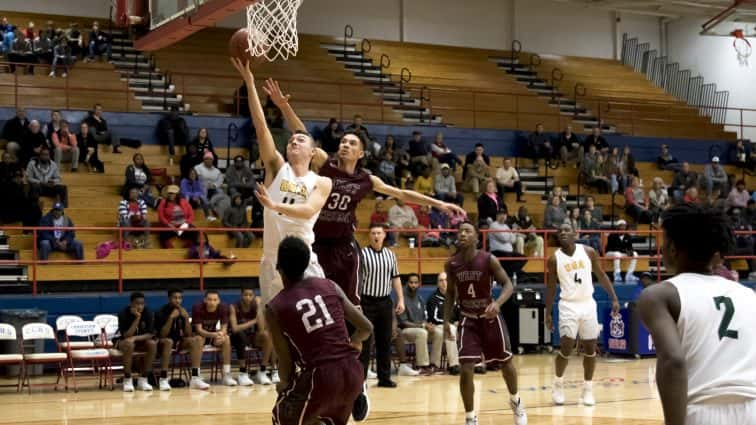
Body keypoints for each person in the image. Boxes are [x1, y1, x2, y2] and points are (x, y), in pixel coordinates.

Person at [638, 204, 756, 425]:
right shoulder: (748, 294)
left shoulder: (659, 295)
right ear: (717, 254)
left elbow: (673, 360)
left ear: (672, 248)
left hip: (703, 409)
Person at [265, 236, 373, 425]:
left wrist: (285, 385)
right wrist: (355, 340)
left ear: (278, 267)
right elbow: (367, 327)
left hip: (321, 376)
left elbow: (286, 361)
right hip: (353, 372)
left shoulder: (275, 307)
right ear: (308, 264)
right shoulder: (329, 285)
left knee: (281, 417)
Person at [443, 222, 527, 425]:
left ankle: (516, 401)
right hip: (468, 319)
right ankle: (470, 417)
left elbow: (508, 284)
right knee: (466, 368)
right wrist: (446, 320)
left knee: (506, 363)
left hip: (489, 318)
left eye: (467, 231)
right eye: (460, 231)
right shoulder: (452, 263)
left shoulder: (488, 259)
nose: (462, 234)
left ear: (476, 238)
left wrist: (498, 303)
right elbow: (451, 293)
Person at [545, 223, 620, 406]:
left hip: (587, 303)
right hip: (568, 305)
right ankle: (558, 384)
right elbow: (551, 287)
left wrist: (614, 298)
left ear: (575, 233)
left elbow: (601, 275)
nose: (563, 232)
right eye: (560, 231)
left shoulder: (588, 251)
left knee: (590, 348)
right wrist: (548, 312)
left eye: (567, 230)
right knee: (567, 345)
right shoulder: (554, 259)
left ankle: (587, 389)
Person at [359, 224, 410, 387]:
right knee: (365, 341)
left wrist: (401, 299)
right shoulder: (362, 254)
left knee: (385, 341)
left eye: (379, 233)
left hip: (385, 301)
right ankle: (362, 379)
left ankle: (384, 378)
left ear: (384, 235)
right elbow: (357, 279)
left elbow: (396, 278)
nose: (376, 235)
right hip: (366, 301)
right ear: (369, 236)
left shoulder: (390, 255)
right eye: (373, 232)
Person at [154, 288, 209, 390]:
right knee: (168, 341)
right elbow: (162, 335)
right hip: (162, 343)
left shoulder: (182, 311)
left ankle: (195, 377)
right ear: (169, 298)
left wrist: (186, 319)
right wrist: (171, 318)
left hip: (179, 342)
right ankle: (163, 378)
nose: (178, 300)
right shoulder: (161, 312)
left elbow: (188, 334)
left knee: (196, 339)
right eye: (175, 298)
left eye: (180, 298)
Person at [229, 286, 275, 386]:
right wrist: (253, 321)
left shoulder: (256, 306)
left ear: (254, 296)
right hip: (237, 338)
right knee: (240, 335)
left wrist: (259, 307)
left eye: (250, 295)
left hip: (252, 336)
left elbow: (262, 329)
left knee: (268, 335)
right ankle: (243, 373)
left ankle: (262, 371)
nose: (248, 297)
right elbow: (235, 328)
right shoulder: (234, 307)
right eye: (245, 295)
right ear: (241, 296)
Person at [191, 290, 238, 386]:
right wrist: (214, 335)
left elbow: (224, 328)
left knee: (226, 338)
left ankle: (226, 375)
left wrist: (221, 334)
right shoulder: (198, 308)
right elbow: (199, 330)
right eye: (209, 299)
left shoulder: (223, 308)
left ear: (218, 301)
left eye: (214, 300)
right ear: (205, 300)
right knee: (199, 339)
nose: (212, 302)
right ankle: (195, 377)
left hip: (212, 335)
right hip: (196, 337)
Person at [114, 292, 158, 392]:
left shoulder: (148, 312)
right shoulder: (123, 313)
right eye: (137, 304)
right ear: (131, 304)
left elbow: (150, 334)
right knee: (129, 344)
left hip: (140, 341)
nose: (140, 306)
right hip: (123, 341)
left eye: (142, 304)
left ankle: (143, 379)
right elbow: (127, 336)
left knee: (152, 344)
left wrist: (135, 338)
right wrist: (137, 318)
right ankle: (127, 379)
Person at [397, 273, 437, 375]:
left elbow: (423, 319)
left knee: (438, 332)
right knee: (422, 333)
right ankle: (422, 366)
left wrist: (429, 325)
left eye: (416, 283)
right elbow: (403, 323)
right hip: (404, 332)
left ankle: (434, 365)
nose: (413, 285)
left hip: (420, 328)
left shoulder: (419, 298)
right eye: (411, 282)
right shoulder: (401, 298)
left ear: (419, 284)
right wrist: (423, 326)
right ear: (407, 283)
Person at [425, 272, 460, 375]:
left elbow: (460, 314)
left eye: (446, 280)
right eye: (441, 280)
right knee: (450, 329)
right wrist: (450, 324)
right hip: (437, 326)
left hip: (453, 327)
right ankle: (454, 365)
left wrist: (458, 322)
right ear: (437, 284)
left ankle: (476, 362)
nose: (444, 283)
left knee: (462, 329)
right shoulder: (433, 298)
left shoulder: (455, 297)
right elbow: (433, 318)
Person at [194, 151, 228, 221]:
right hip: (201, 186)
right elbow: (196, 178)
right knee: (203, 189)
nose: (208, 160)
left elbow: (220, 180)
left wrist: (214, 185)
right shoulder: (198, 167)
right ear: (204, 160)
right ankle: (207, 214)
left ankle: (218, 211)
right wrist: (205, 184)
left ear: (212, 160)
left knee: (220, 192)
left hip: (213, 188)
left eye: (210, 159)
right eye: (206, 159)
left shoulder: (216, 171)